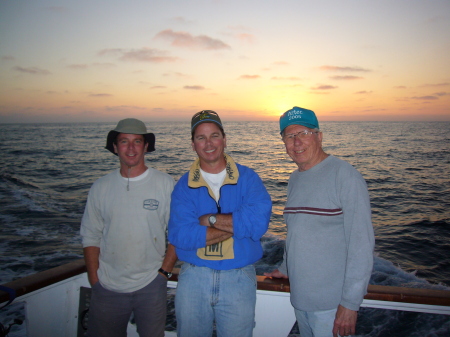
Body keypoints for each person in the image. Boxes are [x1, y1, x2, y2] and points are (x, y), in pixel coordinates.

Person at [265, 107, 374, 337]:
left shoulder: (344, 176)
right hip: (301, 300)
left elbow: (361, 246)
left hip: (332, 307)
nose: (297, 142)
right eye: (289, 136)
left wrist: (350, 305)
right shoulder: (295, 178)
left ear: (319, 136)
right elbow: (298, 232)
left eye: (303, 133)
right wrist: (286, 268)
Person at [168, 110, 272, 337]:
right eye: (200, 137)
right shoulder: (183, 185)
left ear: (224, 139)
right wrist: (236, 224)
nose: (208, 143)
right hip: (194, 277)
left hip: (239, 277)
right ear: (193, 144)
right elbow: (181, 236)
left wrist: (209, 220)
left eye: (214, 135)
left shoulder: (249, 178)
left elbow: (257, 224)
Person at [80, 118, 177, 337]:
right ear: (115, 147)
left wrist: (163, 274)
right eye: (124, 141)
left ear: (145, 146)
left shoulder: (165, 184)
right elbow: (90, 236)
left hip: (152, 286)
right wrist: (95, 281)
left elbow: (177, 233)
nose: (131, 148)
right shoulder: (100, 187)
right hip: (107, 288)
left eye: (137, 141)